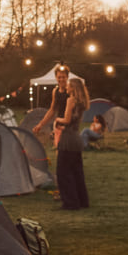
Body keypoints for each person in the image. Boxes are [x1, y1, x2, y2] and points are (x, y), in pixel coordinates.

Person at [47, 62, 91, 210]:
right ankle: (82, 201)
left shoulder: (70, 100)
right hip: (77, 138)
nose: (67, 85)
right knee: (77, 172)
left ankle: (70, 203)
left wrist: (57, 120)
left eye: (69, 84)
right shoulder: (82, 102)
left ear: (74, 87)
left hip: (67, 139)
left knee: (63, 173)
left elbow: (65, 120)